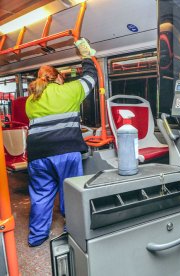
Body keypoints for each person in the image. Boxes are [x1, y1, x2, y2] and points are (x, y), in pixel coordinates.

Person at [25, 38, 97, 247]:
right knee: (70, 192)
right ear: (58, 79)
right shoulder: (69, 91)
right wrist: (86, 56)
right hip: (66, 151)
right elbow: (91, 78)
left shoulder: (31, 100)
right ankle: (72, 232)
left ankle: (37, 237)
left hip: (37, 154)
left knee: (40, 195)